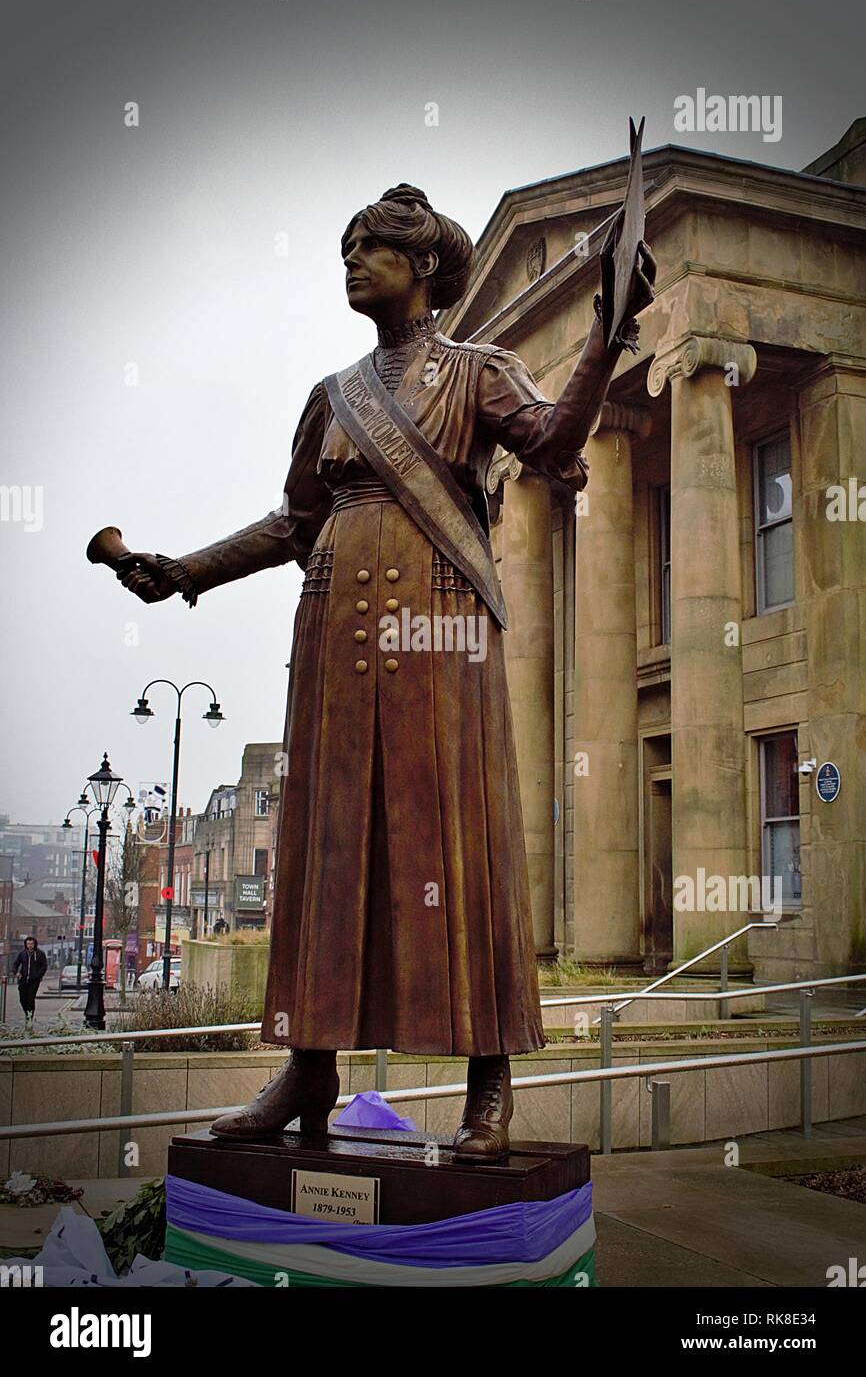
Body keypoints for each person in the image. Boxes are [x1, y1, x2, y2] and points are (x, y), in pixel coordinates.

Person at [115, 183, 655, 1159]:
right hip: (331, 634)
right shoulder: (331, 398)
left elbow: (551, 444)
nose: (352, 261)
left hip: (438, 626)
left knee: (457, 838)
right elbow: (292, 524)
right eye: (347, 247)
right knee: (327, 847)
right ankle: (307, 1073)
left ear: (423, 268)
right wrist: (185, 569)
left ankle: (487, 1087)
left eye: (371, 248)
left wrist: (604, 336)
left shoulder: (477, 371)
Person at [14, 936, 48, 1026]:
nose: (30, 945)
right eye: (28, 943)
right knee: (22, 999)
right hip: (23, 980)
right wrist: (16, 972)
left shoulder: (40, 953)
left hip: (34, 981)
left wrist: (38, 976)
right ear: (25, 944)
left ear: (35, 944)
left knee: (30, 999)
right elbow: (15, 964)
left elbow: (44, 966)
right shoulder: (22, 954)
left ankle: (30, 1017)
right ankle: (27, 1013)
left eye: (32, 944)